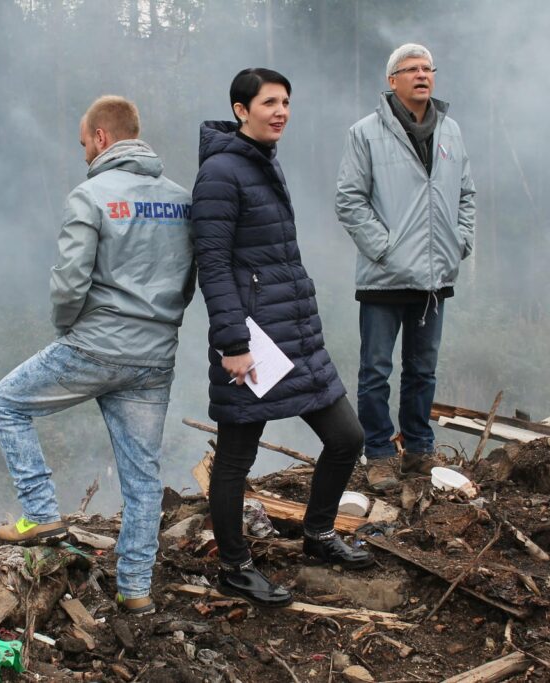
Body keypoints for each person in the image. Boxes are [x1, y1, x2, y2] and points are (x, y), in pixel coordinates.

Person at [0, 95, 195, 615]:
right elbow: (189, 279)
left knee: (6, 403)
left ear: (101, 137)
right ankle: (135, 592)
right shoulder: (182, 199)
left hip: (96, 345)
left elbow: (70, 281)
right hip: (154, 356)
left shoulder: (91, 195)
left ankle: (39, 513)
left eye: (83, 142)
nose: (82, 153)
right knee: (142, 475)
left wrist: (66, 327)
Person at [193, 68, 374, 609]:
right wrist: (231, 343)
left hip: (294, 334)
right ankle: (234, 566)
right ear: (240, 109)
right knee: (233, 461)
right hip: (252, 342)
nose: (281, 112)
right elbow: (214, 264)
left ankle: (318, 536)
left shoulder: (260, 164)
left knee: (346, 438)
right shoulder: (222, 173)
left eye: (287, 102)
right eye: (269, 102)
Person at [335, 44, 477, 492]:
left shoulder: (451, 131)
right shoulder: (366, 133)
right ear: (391, 81)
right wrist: (385, 248)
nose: (422, 75)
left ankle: (418, 450)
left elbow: (466, 196)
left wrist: (461, 242)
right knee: (375, 370)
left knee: (423, 370)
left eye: (427, 68)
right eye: (410, 69)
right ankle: (378, 454)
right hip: (384, 277)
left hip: (435, 277)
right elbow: (349, 199)